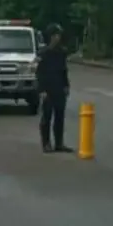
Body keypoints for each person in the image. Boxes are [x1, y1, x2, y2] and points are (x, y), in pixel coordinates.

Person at [36, 23, 72, 153]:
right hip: (47, 89)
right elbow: (39, 73)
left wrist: (66, 85)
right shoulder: (43, 53)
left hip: (59, 88)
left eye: (59, 35)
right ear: (50, 37)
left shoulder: (61, 52)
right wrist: (41, 90)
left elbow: (64, 70)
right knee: (47, 116)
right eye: (56, 35)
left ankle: (59, 143)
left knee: (59, 116)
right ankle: (46, 143)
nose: (58, 38)